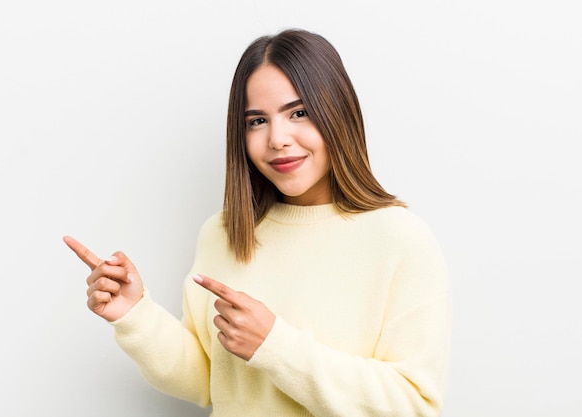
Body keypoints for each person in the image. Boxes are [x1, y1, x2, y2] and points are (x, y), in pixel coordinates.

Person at [64, 28, 450, 417]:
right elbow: (206, 380)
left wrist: (276, 346)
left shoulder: (400, 239)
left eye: (298, 113)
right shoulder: (223, 234)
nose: (277, 139)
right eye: (256, 121)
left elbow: (414, 406)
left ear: (338, 112)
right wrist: (135, 316)